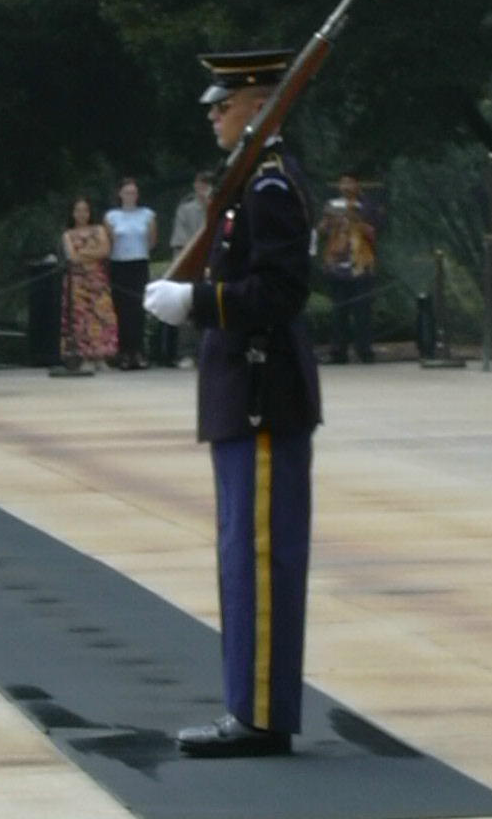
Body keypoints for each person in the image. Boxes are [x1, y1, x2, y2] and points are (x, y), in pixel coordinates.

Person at [143, 49, 321, 757]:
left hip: (261, 393)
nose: (214, 115)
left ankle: (262, 716)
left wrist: (197, 302)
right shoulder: (249, 183)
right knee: (241, 556)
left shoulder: (271, 185)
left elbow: (281, 292)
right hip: (242, 391)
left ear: (259, 104)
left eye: (225, 103)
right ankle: (249, 705)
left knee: (261, 559)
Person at [317, 169, 378, 363]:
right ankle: (338, 351)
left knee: (362, 311)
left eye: (350, 182)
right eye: (342, 183)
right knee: (339, 310)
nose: (346, 187)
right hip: (337, 263)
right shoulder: (332, 205)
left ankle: (364, 350)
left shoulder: (367, 206)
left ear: (357, 185)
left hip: (360, 263)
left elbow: (373, 233)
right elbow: (321, 231)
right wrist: (328, 221)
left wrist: (355, 219)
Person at [156, 171, 213, 368]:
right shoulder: (185, 210)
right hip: (192, 263)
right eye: (201, 184)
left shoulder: (221, 208)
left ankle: (209, 352)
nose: (204, 188)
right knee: (188, 310)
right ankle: (186, 353)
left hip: (215, 264)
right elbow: (180, 241)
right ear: (195, 185)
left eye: (208, 184)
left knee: (212, 309)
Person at [60, 197, 118, 372]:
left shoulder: (99, 229)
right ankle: (85, 357)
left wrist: (84, 253)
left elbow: (105, 250)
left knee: (102, 316)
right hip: (77, 282)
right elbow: (72, 256)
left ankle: (102, 356)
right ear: (72, 213)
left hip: (98, 280)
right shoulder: (68, 234)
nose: (82, 214)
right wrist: (92, 253)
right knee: (81, 319)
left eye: (85, 210)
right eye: (78, 210)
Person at [105, 177, 157, 370]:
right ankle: (124, 352)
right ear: (120, 194)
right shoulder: (112, 216)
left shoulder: (147, 214)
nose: (130, 196)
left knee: (137, 308)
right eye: (127, 192)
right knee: (121, 309)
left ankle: (138, 351)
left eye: (133, 193)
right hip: (119, 264)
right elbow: (109, 241)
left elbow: (152, 241)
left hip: (139, 263)